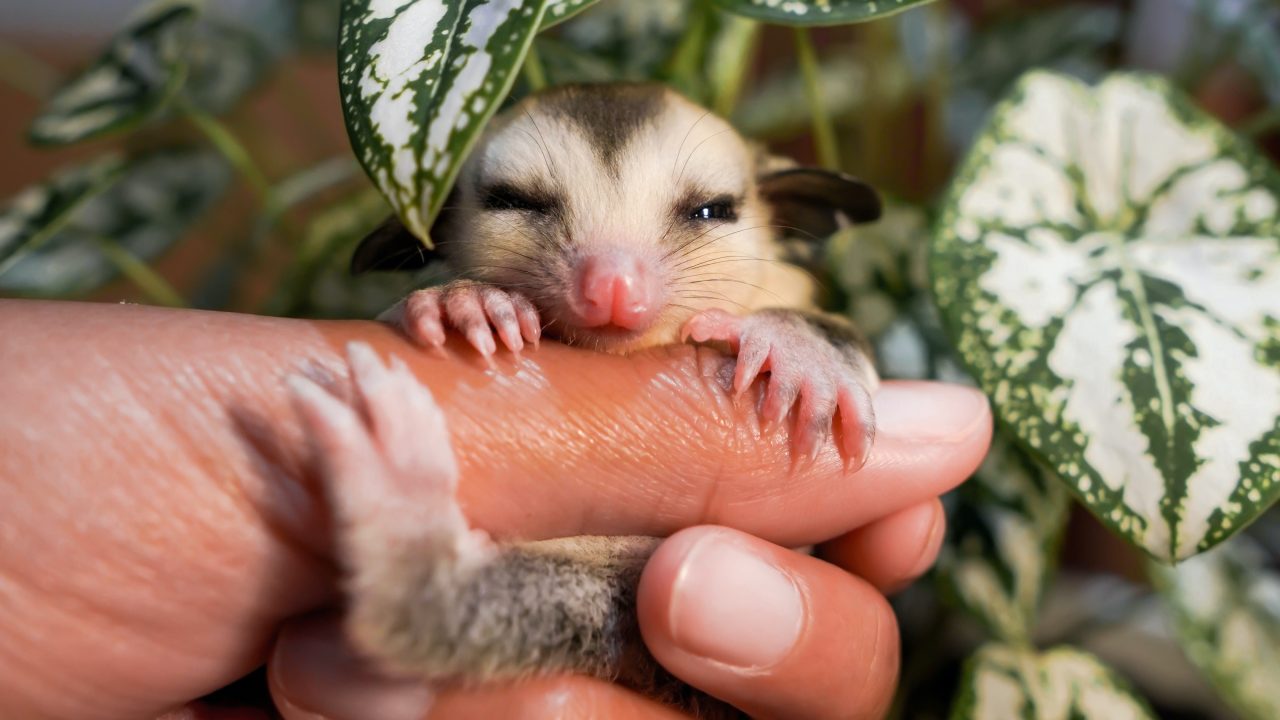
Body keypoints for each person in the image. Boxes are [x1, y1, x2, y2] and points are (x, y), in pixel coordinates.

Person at [0, 300, 991, 720]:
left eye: (697, 214)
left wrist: (810, 350)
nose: (611, 286)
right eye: (526, 203)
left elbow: (839, 367)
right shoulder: (479, 321)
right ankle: (423, 602)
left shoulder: (773, 314)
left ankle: (426, 603)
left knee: (644, 598)